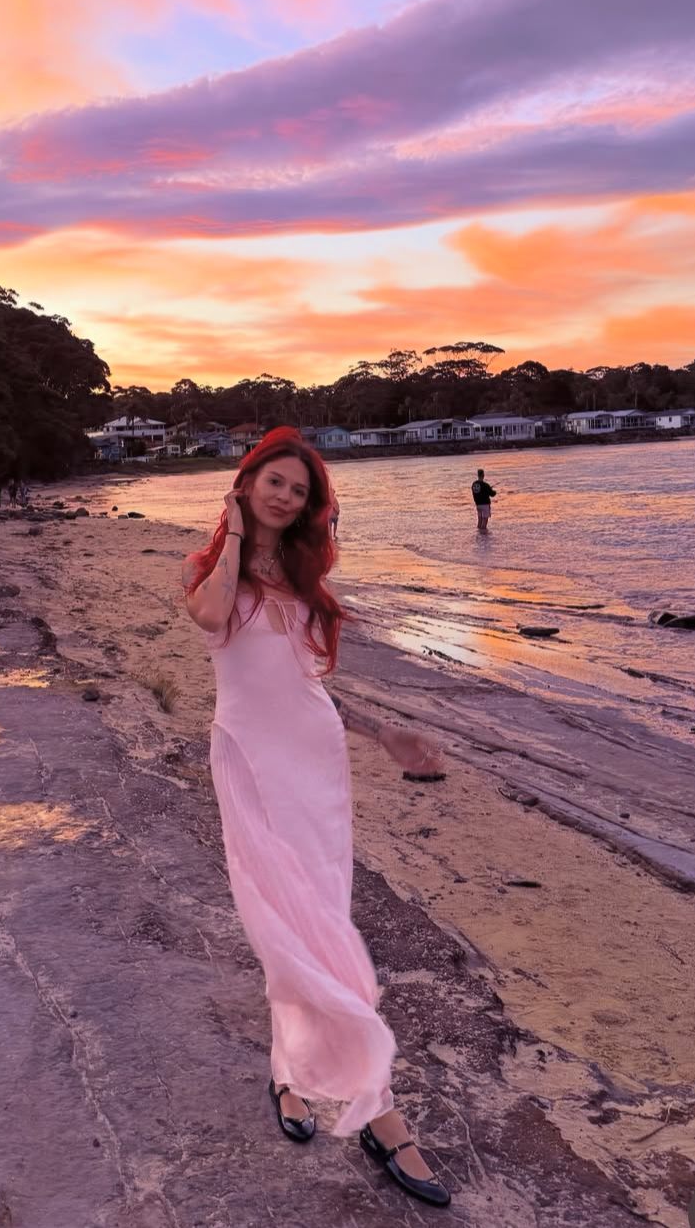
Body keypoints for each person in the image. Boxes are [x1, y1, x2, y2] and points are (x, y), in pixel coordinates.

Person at [181, 427, 452, 1209]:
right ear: (247, 481)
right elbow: (210, 617)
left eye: (299, 491)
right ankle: (381, 1112)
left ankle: (289, 1075)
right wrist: (235, 532)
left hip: (317, 767)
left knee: (315, 920)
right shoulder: (208, 569)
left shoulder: (303, 581)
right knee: (283, 925)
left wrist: (383, 733)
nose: (287, 496)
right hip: (250, 764)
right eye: (275, 481)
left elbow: (307, 686)